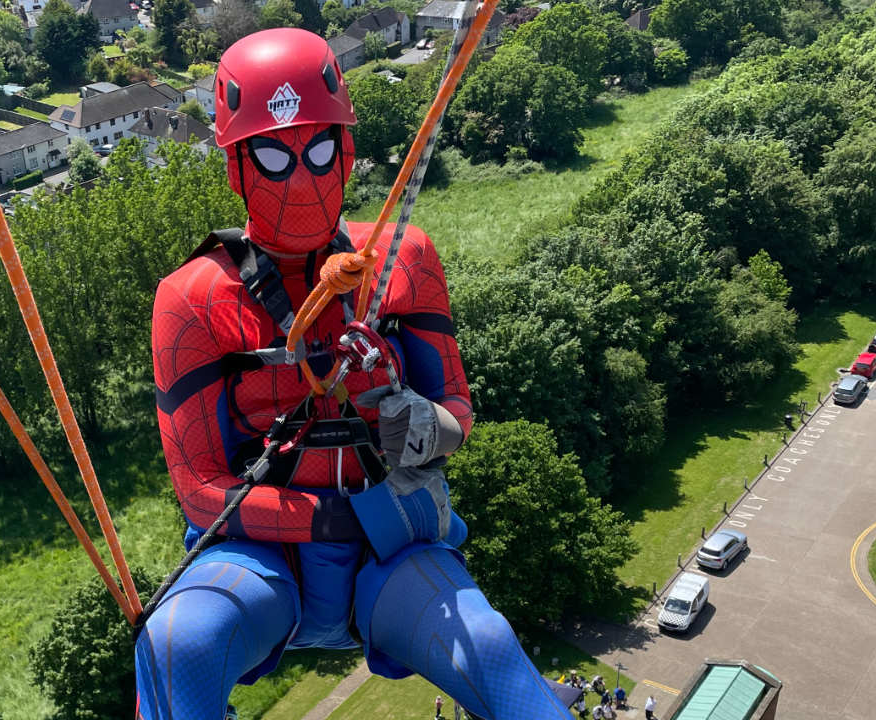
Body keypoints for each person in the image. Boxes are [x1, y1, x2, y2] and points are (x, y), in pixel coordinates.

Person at [135, 27, 568, 720]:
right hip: (257, 560)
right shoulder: (193, 298)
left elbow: (457, 409)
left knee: (489, 647)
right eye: (274, 158)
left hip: (387, 551)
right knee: (175, 645)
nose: (302, 179)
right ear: (238, 168)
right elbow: (197, 488)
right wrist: (326, 517)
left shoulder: (404, 258)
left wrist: (424, 425)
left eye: (322, 152)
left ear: (350, 153)